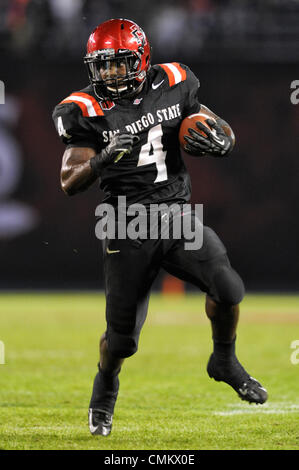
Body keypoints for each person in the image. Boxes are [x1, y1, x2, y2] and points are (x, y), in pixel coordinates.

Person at [52, 18, 268, 437]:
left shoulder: (174, 80)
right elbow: (68, 182)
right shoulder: (82, 108)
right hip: (125, 222)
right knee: (122, 341)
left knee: (228, 288)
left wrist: (225, 140)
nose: (112, 73)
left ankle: (223, 360)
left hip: (174, 213)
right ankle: (105, 389)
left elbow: (220, 127)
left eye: (121, 63)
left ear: (142, 57)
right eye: (104, 65)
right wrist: (101, 159)